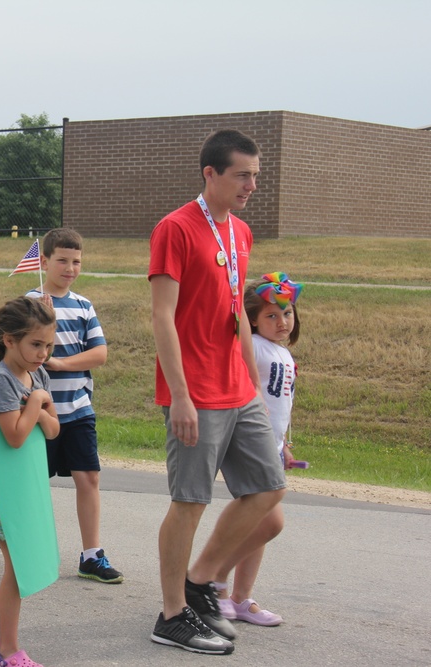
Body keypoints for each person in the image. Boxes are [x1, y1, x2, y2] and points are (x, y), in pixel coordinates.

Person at [148, 129, 286, 655]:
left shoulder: (241, 232)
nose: (252, 184)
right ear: (211, 173)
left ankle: (200, 581)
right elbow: (162, 316)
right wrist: (179, 394)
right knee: (190, 500)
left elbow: (236, 315)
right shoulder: (176, 228)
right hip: (195, 389)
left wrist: (253, 383)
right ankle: (171, 615)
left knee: (268, 491)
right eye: (242, 175)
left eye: (255, 174)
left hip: (236, 385)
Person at [19, 228, 123, 583]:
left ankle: (92, 555)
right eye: (62, 260)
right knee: (30, 484)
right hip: (40, 411)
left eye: (76, 261)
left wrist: (63, 364)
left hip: (77, 407)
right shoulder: (30, 302)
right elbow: (19, 352)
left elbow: (100, 353)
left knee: (88, 477)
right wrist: (43, 323)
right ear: (44, 261)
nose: (70, 268)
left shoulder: (83, 305)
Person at [0, 296, 60, 667]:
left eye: (48, 345)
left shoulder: (38, 376)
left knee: (22, 565)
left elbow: (53, 430)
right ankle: (7, 649)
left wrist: (36, 404)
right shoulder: (2, 382)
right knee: (19, 567)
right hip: (1, 486)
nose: (43, 353)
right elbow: (15, 436)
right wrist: (36, 403)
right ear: (9, 340)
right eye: (36, 344)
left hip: (25, 481)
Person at [212, 273, 303, 627]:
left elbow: (283, 403)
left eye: (287, 314)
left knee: (261, 523)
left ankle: (240, 597)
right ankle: (214, 584)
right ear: (252, 319)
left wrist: (285, 446)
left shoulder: (281, 351)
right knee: (267, 519)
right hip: (249, 440)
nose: (282, 322)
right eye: (271, 315)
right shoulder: (251, 345)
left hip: (272, 444)